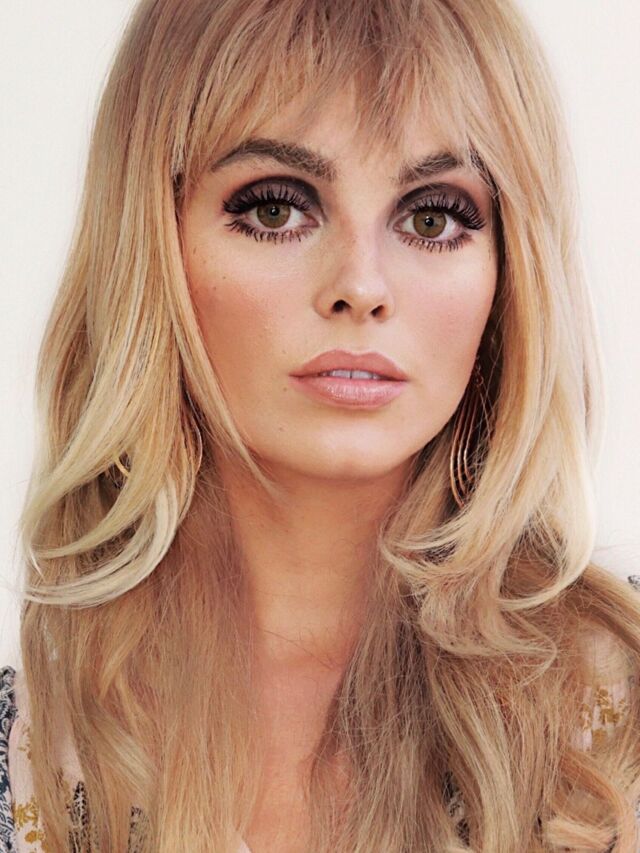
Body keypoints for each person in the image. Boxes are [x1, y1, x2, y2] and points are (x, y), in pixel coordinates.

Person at [1, 0, 639, 850]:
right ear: (153, 243)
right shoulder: (32, 750)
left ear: (507, 272)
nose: (361, 286)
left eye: (431, 216)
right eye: (276, 209)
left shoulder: (621, 709)